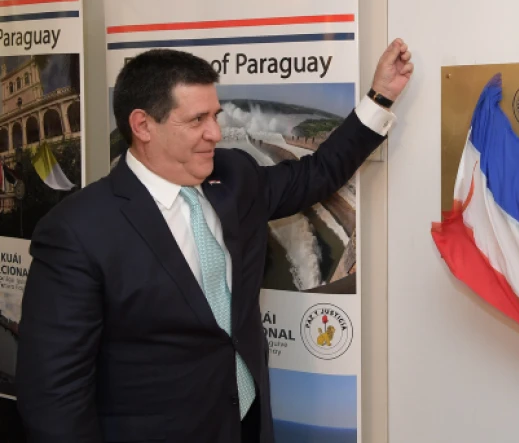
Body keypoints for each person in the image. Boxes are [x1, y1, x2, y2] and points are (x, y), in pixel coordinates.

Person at [15, 39, 414, 443]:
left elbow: (318, 173)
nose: (216, 133)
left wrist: (379, 97)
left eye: (216, 115)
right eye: (197, 120)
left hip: (246, 422)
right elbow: (53, 395)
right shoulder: (77, 231)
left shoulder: (235, 177)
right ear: (142, 125)